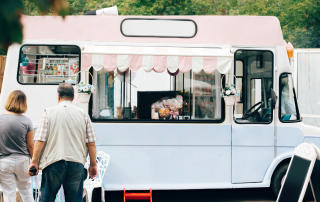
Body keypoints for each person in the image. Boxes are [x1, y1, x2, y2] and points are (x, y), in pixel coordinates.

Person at [28, 83, 98, 202]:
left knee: (47, 199)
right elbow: (91, 143)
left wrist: (34, 162)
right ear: (73, 97)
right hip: (76, 164)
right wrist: (93, 164)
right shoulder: (84, 115)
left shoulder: (48, 113)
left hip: (53, 163)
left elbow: (40, 139)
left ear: (58, 96)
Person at [0, 90, 34, 202]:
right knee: (26, 191)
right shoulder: (27, 121)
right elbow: (31, 146)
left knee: (9, 193)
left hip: (4, 161)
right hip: (23, 162)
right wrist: (34, 162)